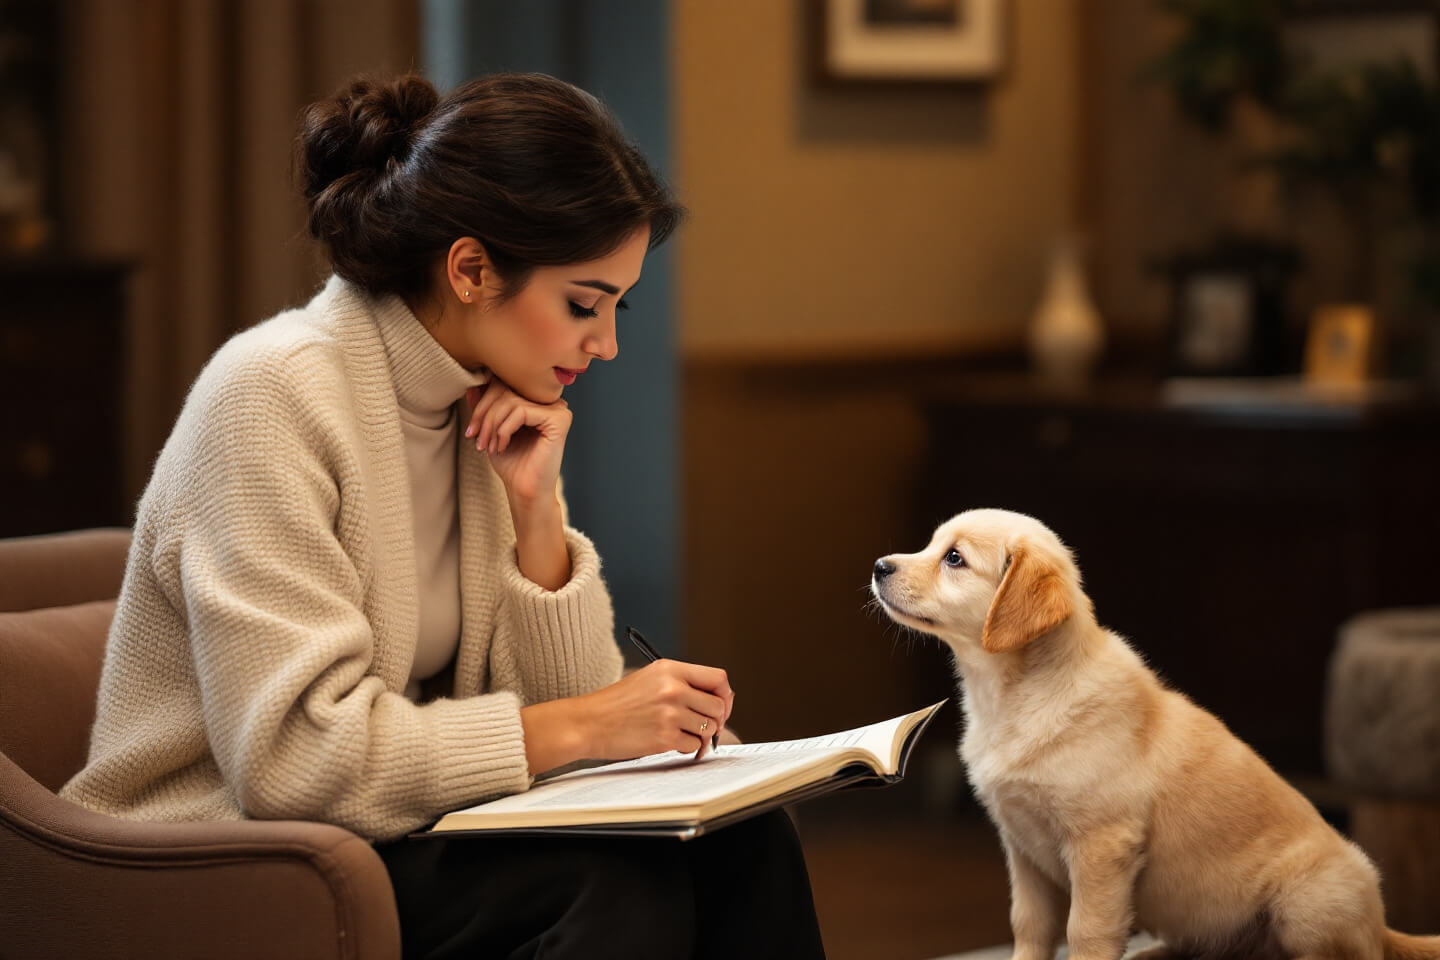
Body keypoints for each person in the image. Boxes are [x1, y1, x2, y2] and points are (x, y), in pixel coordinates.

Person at [61, 71, 826, 959]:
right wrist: (591, 722)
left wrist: (535, 517)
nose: (608, 344)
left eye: (618, 307)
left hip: (398, 825)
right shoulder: (269, 395)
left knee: (746, 839)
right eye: (583, 305)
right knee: (606, 883)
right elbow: (295, 762)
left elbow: (574, 735)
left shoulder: (491, 409)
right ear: (469, 270)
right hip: (220, 851)